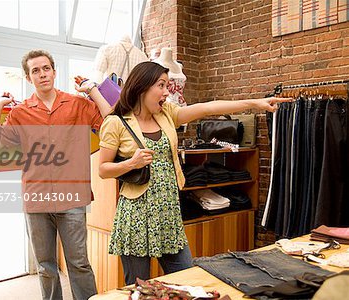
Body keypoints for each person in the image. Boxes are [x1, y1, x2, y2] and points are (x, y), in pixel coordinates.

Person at [96, 61, 291, 285]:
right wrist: (131, 163)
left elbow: (208, 108)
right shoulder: (115, 122)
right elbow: (103, 169)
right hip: (136, 217)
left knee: (187, 279)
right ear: (142, 86)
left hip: (168, 212)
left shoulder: (167, 114)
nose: (166, 92)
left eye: (167, 85)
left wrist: (256, 103)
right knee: (139, 287)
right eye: (161, 85)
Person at [0, 49, 111, 300]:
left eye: (46, 68)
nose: (42, 74)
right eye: (35, 70)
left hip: (73, 198)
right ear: (28, 77)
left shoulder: (77, 104)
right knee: (45, 267)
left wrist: (93, 91)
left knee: (79, 264)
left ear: (54, 71)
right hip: (36, 199)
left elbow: (111, 123)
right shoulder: (20, 112)